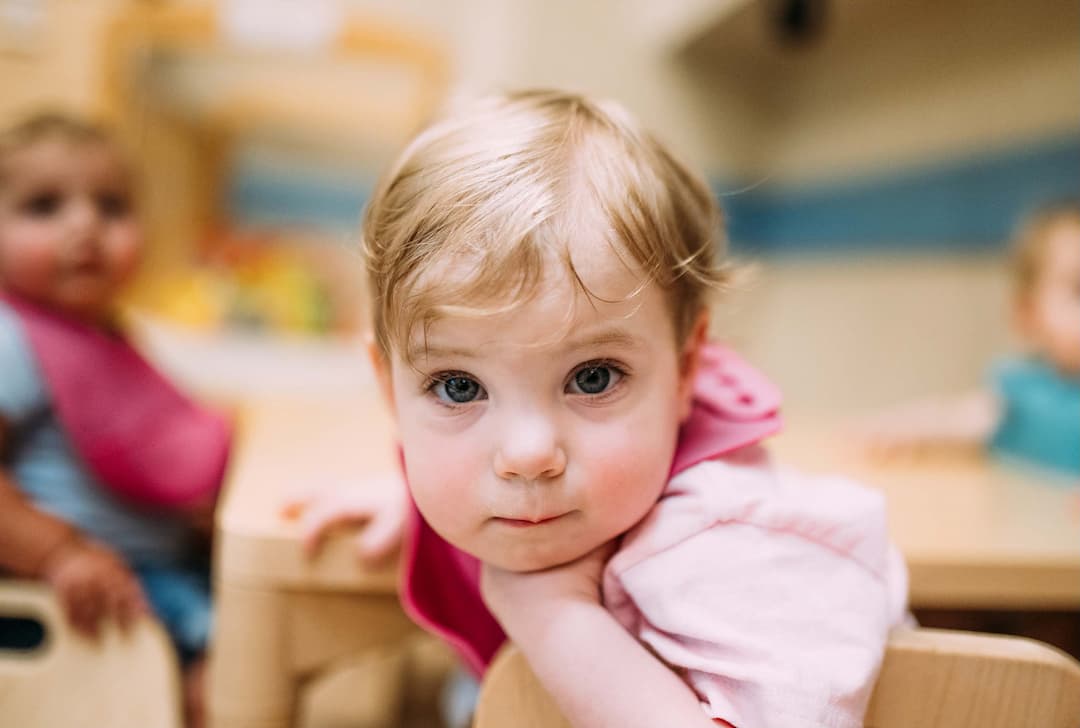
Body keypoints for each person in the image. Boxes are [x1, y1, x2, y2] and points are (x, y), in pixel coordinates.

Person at [290, 90, 909, 728]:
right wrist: (412, 492)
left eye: (591, 378)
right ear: (391, 390)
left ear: (686, 368)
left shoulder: (733, 550)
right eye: (458, 387)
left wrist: (554, 618)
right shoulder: (513, 484)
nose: (527, 454)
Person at [0, 112, 231, 728]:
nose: (85, 225)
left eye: (111, 205)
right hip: (75, 593)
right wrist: (59, 555)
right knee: (239, 668)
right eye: (44, 206)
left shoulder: (102, 336)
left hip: (150, 567)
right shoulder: (14, 341)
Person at [861, 202, 1080, 476]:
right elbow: (953, 419)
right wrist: (897, 428)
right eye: (1078, 289)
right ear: (1028, 313)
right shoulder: (1017, 392)